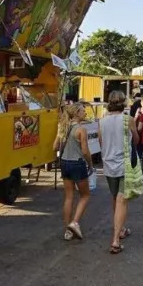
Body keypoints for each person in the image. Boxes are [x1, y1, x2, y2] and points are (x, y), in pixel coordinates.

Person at [98, 91, 135, 254]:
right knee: (122, 200)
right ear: (124, 103)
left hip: (108, 164)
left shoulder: (102, 121)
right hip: (124, 164)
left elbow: (101, 141)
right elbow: (137, 139)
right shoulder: (128, 120)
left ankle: (120, 229)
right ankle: (115, 240)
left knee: (116, 198)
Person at [55, 103, 94, 240]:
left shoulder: (63, 127)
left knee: (69, 197)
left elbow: (55, 147)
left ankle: (67, 230)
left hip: (64, 162)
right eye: (83, 111)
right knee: (85, 195)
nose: (85, 113)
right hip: (77, 163)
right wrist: (90, 164)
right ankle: (74, 223)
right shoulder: (81, 130)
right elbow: (85, 151)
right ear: (77, 113)